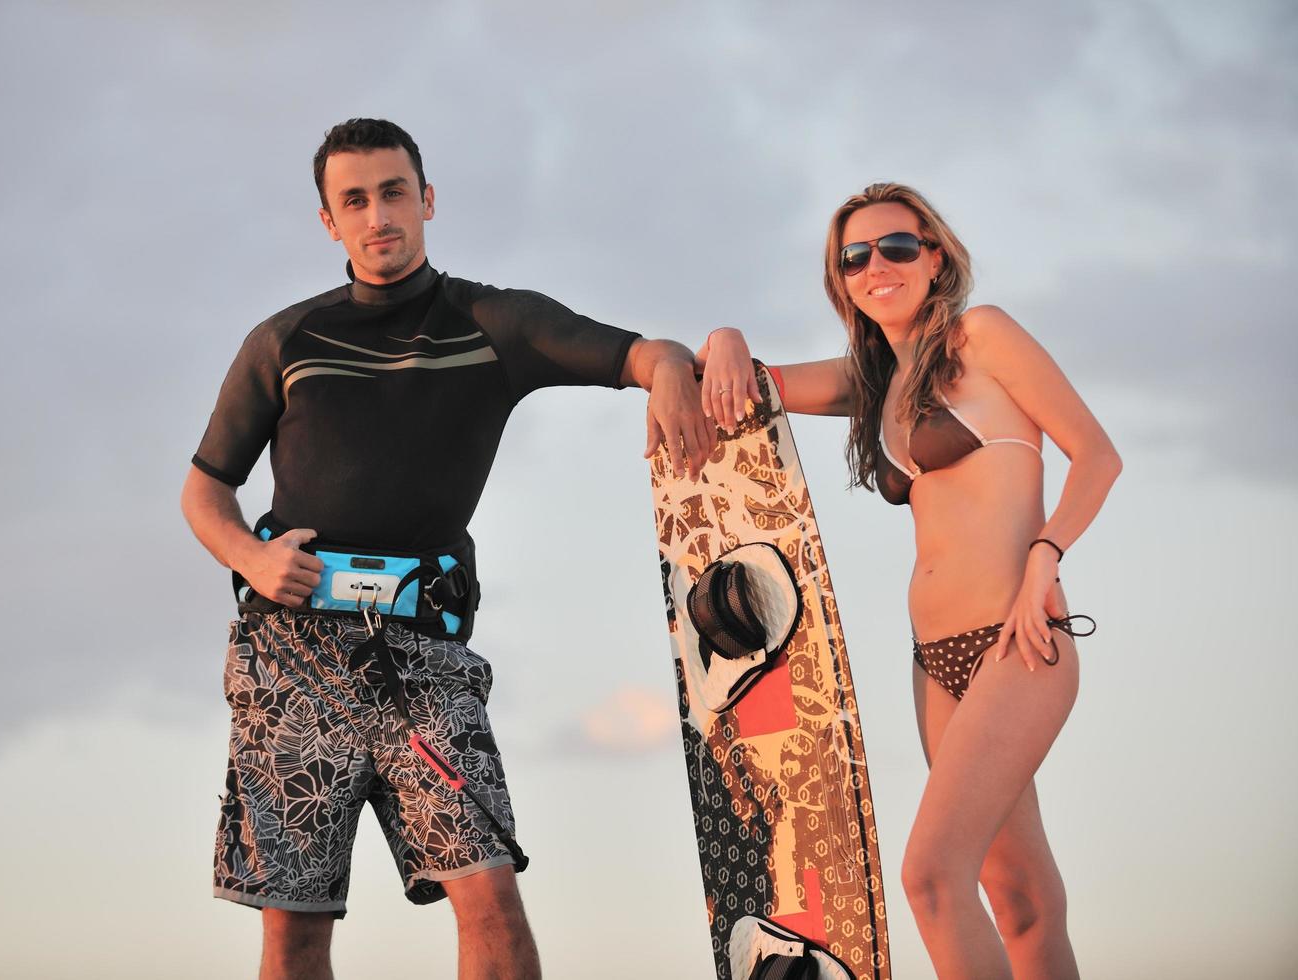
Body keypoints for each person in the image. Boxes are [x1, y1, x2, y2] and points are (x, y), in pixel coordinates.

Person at [181, 117, 712, 980]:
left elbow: (640, 353)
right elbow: (204, 493)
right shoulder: (284, 342)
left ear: (426, 200)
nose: (377, 214)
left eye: (394, 192)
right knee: (295, 928)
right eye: (353, 200)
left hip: (424, 657)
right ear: (329, 221)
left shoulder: (493, 321)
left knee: (488, 892)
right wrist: (251, 557)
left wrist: (677, 370)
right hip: (292, 656)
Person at [698, 182, 1120, 979]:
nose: (876, 266)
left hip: (1018, 638)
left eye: (896, 247)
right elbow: (753, 387)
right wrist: (723, 335)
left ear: (935, 255)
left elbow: (1098, 453)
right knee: (1021, 897)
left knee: (930, 877)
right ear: (842, 280)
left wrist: (1045, 554)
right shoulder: (877, 379)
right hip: (936, 665)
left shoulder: (982, 336)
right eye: (854, 257)